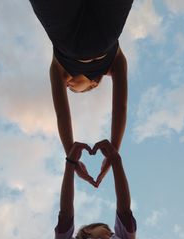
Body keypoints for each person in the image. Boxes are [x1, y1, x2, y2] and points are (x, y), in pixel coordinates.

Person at [29, 0, 135, 187]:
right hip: (104, 28)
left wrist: (72, 157)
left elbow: (62, 115)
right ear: (93, 84)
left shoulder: (58, 67)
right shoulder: (115, 62)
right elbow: (120, 108)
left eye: (68, 88)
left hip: (66, 33)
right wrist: (113, 152)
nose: (68, 86)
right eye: (72, 89)